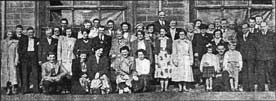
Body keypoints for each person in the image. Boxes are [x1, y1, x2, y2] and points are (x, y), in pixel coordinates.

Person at [254, 22, 276, 91]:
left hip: (270, 57)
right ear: (260, 27)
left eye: (264, 26)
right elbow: (255, 45)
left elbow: (274, 45)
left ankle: (273, 88)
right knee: (261, 74)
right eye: (261, 26)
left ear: (267, 26)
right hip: (260, 58)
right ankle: (261, 88)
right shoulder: (257, 35)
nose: (263, 28)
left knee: (271, 73)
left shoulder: (272, 34)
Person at [18, 27, 40, 94]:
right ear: (27, 33)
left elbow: (39, 49)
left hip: (34, 56)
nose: (31, 34)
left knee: (35, 73)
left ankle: (36, 90)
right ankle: (25, 89)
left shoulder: (37, 39)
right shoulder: (23, 39)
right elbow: (19, 49)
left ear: (34, 33)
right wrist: (21, 57)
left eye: (32, 32)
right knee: (25, 73)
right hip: (25, 57)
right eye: (29, 32)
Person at [237, 23, 257, 91]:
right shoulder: (240, 36)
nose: (244, 29)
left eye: (245, 28)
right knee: (244, 73)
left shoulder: (253, 36)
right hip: (243, 58)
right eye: (243, 28)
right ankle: (246, 88)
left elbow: (255, 47)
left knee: (250, 72)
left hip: (251, 58)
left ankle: (251, 88)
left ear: (248, 28)